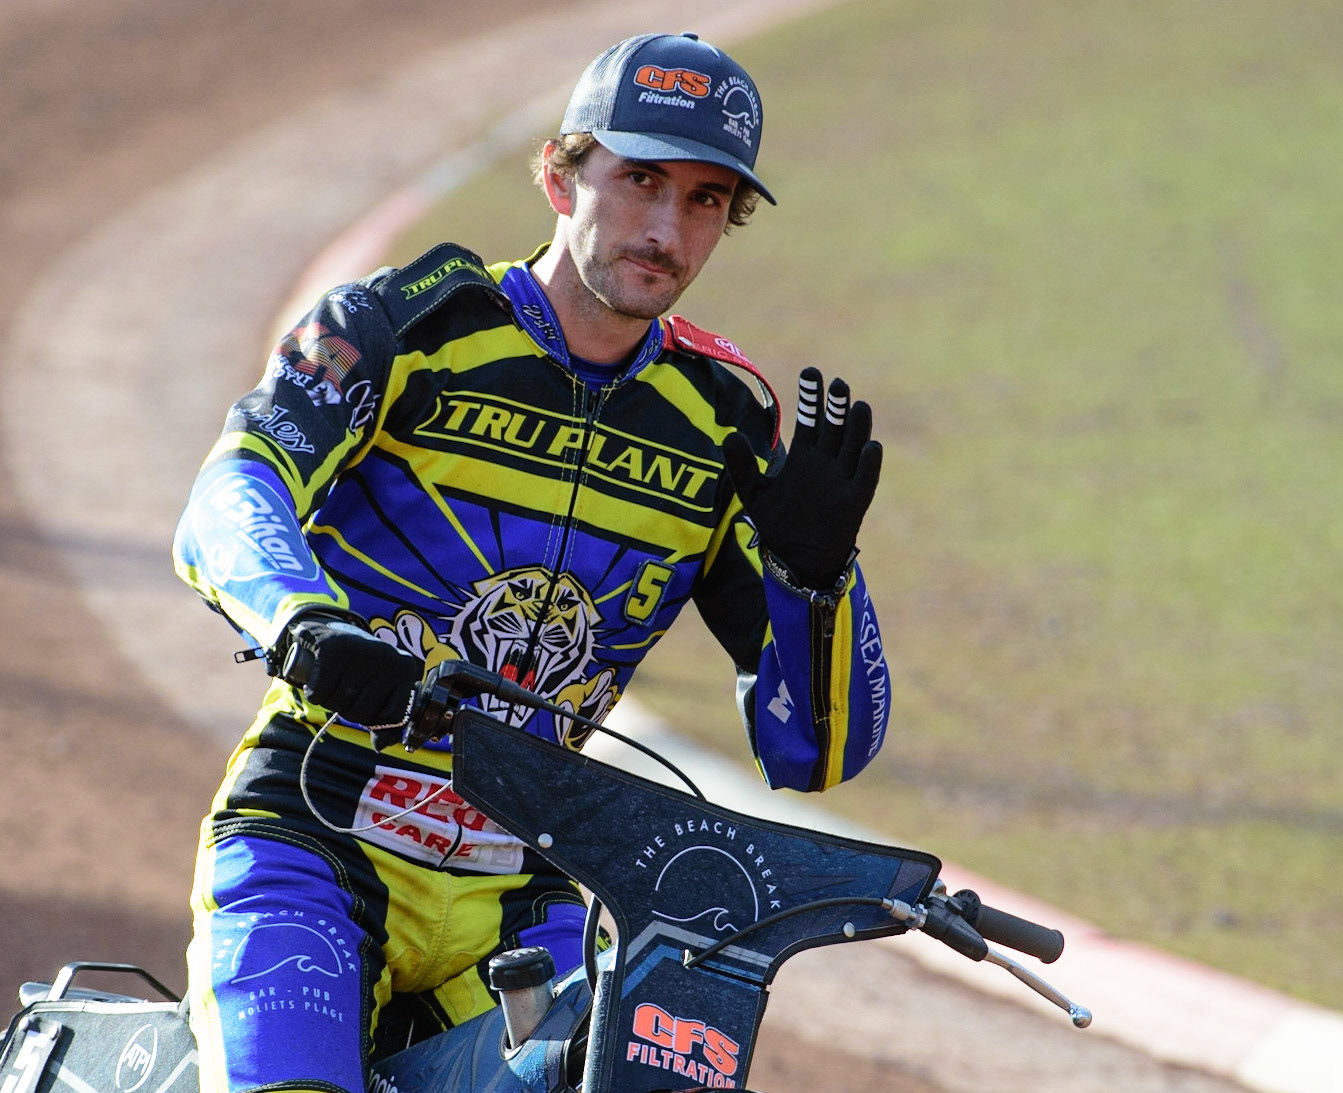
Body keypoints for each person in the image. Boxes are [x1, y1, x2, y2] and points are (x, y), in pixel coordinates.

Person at [171, 30, 891, 1093]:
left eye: (703, 200)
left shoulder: (725, 420)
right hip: (316, 837)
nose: (663, 228)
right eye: (639, 179)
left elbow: (812, 751)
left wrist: (818, 585)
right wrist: (303, 621)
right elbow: (233, 492)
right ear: (560, 173)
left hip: (530, 883)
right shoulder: (406, 324)